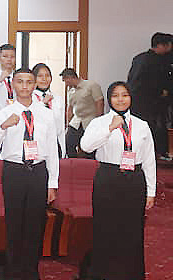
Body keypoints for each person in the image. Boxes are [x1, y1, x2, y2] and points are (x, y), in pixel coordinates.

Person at [0, 68, 60, 280]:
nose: (24, 86)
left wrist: (52, 182)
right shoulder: (4, 113)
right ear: (13, 85)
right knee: (14, 223)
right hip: (14, 171)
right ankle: (14, 272)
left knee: (36, 224)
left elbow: (53, 149)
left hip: (38, 172)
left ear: (35, 85)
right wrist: (3, 127)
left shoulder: (45, 113)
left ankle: (31, 272)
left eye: (29, 82)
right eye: (20, 82)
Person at [79, 81, 157, 280]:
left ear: (131, 97)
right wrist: (109, 129)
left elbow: (149, 159)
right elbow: (86, 146)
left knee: (132, 230)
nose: (120, 99)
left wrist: (151, 191)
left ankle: (130, 274)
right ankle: (103, 274)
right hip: (108, 178)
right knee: (105, 228)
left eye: (124, 95)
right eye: (115, 95)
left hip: (135, 179)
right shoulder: (99, 122)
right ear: (109, 99)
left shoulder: (141, 125)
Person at [127, 32, 173, 161]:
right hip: (152, 105)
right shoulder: (159, 61)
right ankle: (157, 157)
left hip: (134, 103)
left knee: (137, 136)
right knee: (153, 134)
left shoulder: (138, 58)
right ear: (164, 45)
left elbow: (131, 80)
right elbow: (158, 84)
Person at [59, 68, 105, 158]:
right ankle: (74, 163)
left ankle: (88, 166)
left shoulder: (91, 85)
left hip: (90, 121)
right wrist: (68, 124)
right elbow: (70, 108)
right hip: (76, 121)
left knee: (89, 148)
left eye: (65, 81)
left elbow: (99, 102)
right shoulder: (71, 91)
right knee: (68, 142)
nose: (66, 84)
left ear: (70, 78)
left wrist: (99, 121)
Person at [31, 63, 67, 157]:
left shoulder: (58, 99)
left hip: (55, 144)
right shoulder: (29, 98)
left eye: (47, 75)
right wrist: (43, 102)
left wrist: (63, 149)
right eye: (40, 76)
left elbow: (61, 127)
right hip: (36, 143)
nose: (44, 79)